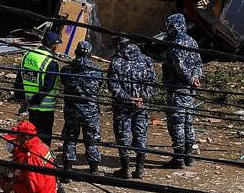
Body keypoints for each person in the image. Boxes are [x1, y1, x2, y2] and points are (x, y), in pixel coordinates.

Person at [106, 40, 155, 179]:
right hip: (141, 106)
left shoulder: (116, 62)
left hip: (122, 107)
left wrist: (128, 99)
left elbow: (113, 85)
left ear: (119, 46)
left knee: (123, 135)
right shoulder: (146, 60)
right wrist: (142, 98)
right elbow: (152, 83)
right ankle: (140, 169)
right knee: (140, 134)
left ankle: (125, 169)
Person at [160, 14, 202, 168]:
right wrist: (196, 78)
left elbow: (179, 67)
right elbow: (198, 63)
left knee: (177, 123)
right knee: (188, 122)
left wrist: (190, 79)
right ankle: (188, 156)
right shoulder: (192, 41)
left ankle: (178, 159)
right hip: (190, 90)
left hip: (177, 89)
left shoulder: (175, 44)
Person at [58, 41, 104, 174]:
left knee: (70, 138)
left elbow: (64, 82)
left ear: (76, 52)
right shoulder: (97, 71)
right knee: (92, 140)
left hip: (72, 110)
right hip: (90, 112)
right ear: (90, 54)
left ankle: (67, 170)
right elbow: (99, 86)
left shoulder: (66, 69)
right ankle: (94, 169)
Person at [14, 31, 61, 147]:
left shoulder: (27, 55)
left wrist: (22, 99)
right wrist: (35, 100)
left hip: (30, 105)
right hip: (45, 108)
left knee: (31, 136)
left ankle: (30, 159)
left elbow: (19, 80)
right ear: (53, 45)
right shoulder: (51, 62)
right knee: (44, 139)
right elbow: (48, 87)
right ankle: (40, 163)